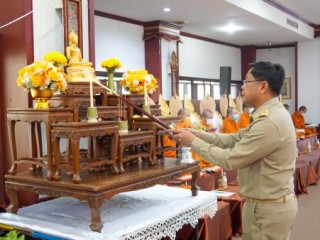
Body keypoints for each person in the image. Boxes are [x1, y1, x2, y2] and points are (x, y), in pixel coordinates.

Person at [169, 61, 298, 240]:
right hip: (266, 205)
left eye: (246, 81)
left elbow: (230, 159)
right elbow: (233, 139)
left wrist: (193, 143)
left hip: (267, 210)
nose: (242, 88)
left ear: (263, 86)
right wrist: (197, 134)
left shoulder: (269, 121)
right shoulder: (268, 114)